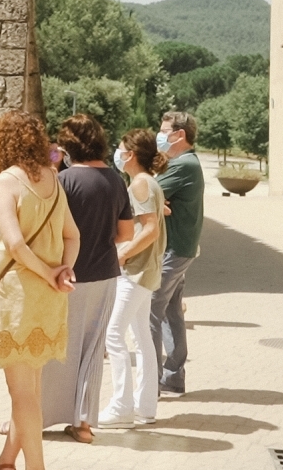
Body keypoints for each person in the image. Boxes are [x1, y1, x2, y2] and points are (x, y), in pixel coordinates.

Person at [0, 110, 79, 470]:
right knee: (31, 392)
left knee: (21, 394)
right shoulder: (53, 178)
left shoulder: (5, 181)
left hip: (18, 297)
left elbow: (16, 245)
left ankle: (36, 467)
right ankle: (6, 462)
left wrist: (51, 273)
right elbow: (73, 235)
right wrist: (63, 271)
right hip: (49, 300)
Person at [38, 114, 133, 444]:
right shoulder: (116, 180)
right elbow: (126, 232)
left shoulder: (63, 182)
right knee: (92, 350)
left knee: (54, 346)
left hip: (66, 274)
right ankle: (83, 424)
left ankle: (37, 417)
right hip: (105, 274)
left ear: (66, 146)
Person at [99, 129, 168, 428]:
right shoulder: (148, 183)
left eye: (121, 147)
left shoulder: (140, 184)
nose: (117, 152)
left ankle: (121, 407)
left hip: (136, 270)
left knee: (112, 334)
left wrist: (122, 254)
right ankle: (144, 407)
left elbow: (150, 228)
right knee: (141, 337)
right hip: (146, 270)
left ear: (131, 155)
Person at [149, 111, 205, 397]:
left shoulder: (182, 164)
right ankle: (173, 377)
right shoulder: (186, 163)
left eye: (164, 130)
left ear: (179, 135)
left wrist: (158, 200)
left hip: (174, 249)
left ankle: (151, 383)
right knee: (171, 311)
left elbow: (145, 194)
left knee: (151, 309)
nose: (160, 135)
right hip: (182, 247)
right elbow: (158, 198)